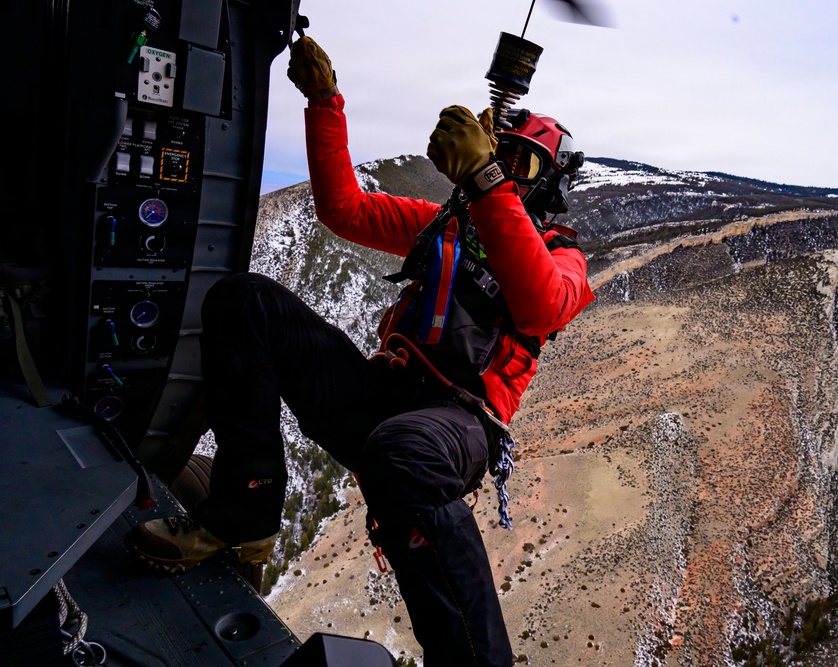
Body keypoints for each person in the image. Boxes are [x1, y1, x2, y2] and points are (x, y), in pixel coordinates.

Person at [126, 36, 593, 666]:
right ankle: (245, 509)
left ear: (552, 184)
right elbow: (341, 209)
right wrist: (325, 102)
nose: (507, 169)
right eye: (500, 154)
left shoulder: (564, 260)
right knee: (245, 302)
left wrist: (487, 185)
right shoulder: (445, 226)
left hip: (456, 425)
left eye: (523, 164)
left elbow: (539, 301)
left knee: (403, 454)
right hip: (381, 397)